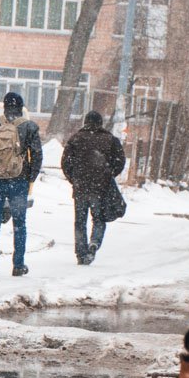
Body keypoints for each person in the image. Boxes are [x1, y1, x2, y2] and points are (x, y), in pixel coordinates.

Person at [0, 91, 43, 278]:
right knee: (19, 223)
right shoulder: (29, 127)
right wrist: (31, 177)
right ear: (21, 107)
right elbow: (36, 154)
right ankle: (18, 265)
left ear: (4, 106)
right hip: (18, 180)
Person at [61, 110, 126, 265]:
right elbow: (120, 161)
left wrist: (74, 179)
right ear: (100, 123)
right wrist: (108, 175)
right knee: (98, 218)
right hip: (100, 188)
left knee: (80, 221)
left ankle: (80, 252)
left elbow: (65, 163)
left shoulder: (76, 139)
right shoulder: (110, 140)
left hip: (80, 187)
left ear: (86, 122)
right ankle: (94, 243)